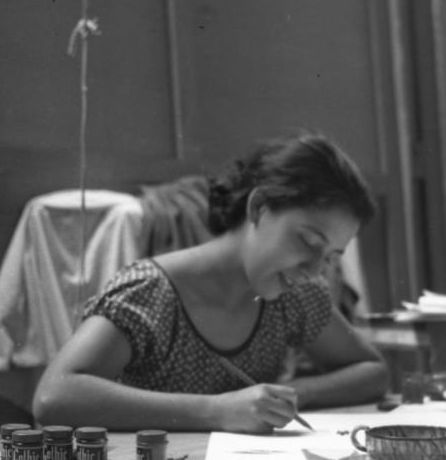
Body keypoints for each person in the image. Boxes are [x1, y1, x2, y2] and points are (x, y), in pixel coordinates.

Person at [32, 132, 390, 433]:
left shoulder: (295, 295)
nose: (314, 269)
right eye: (308, 243)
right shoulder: (151, 292)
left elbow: (372, 372)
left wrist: (296, 392)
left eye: (330, 257)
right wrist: (216, 410)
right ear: (259, 208)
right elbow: (54, 398)